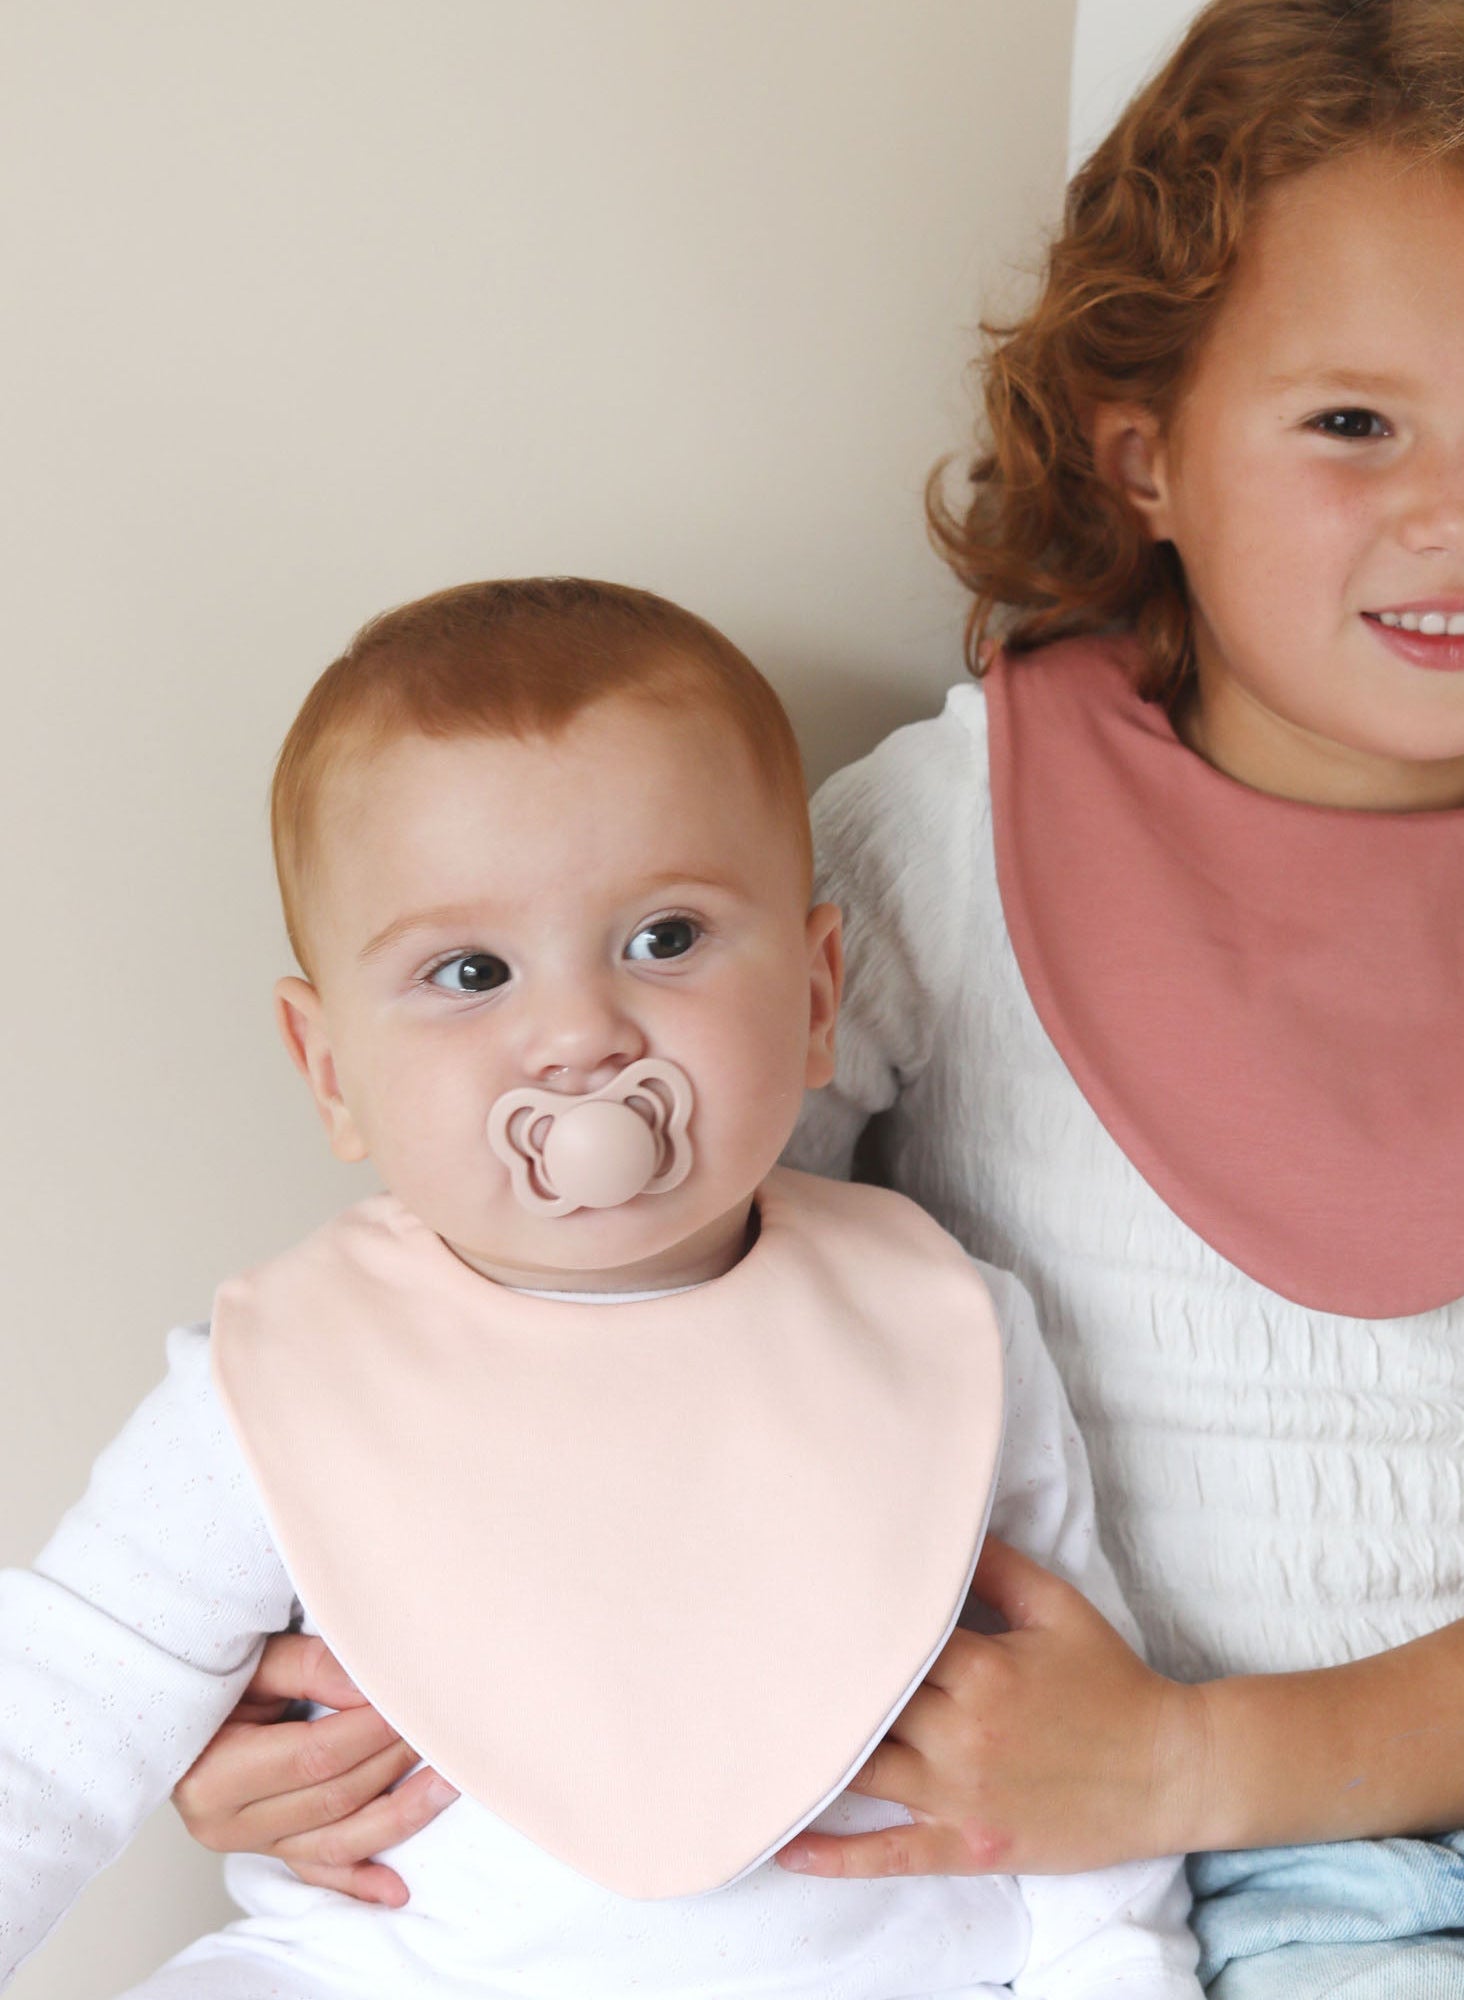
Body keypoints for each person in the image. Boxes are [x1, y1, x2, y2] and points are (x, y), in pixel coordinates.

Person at [165, 2, 1464, 1994]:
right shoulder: (946, 838)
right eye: (1352, 421)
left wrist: (1189, 1755)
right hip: (1209, 1890)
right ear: (1146, 452)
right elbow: (604, 1308)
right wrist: (341, 1672)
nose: (1463, 514)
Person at [0, 579, 1202, 1999]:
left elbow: (1081, 1729)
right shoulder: (277, 1380)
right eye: (471, 971)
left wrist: (1112, 1972)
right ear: (330, 1070)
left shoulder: (943, 1326)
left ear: (818, 996)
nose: (579, 1035)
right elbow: (57, 1714)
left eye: (665, 939)